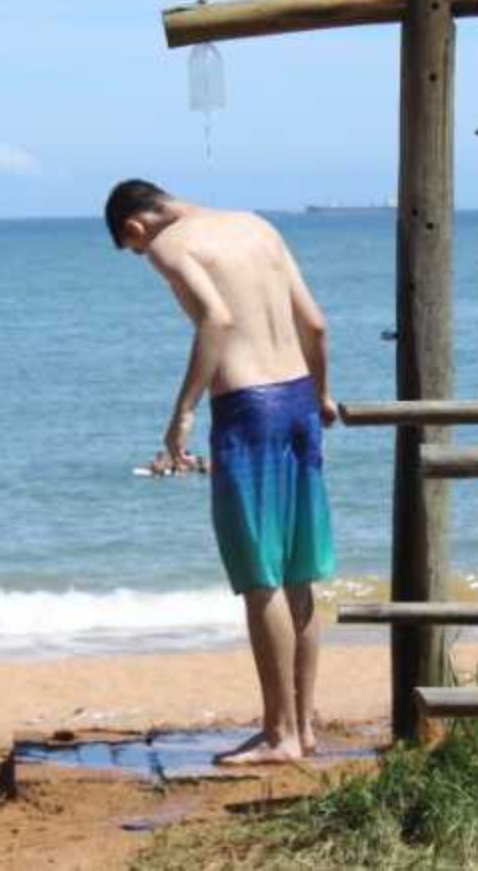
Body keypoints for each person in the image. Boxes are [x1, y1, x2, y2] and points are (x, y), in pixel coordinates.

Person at [104, 179, 337, 765]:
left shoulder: (170, 244)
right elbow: (315, 324)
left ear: (136, 228)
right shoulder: (258, 224)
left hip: (247, 409)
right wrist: (324, 395)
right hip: (299, 399)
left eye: (133, 251)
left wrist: (182, 413)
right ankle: (303, 727)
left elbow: (216, 319)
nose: (143, 259)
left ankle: (279, 736)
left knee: (260, 578)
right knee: (298, 573)